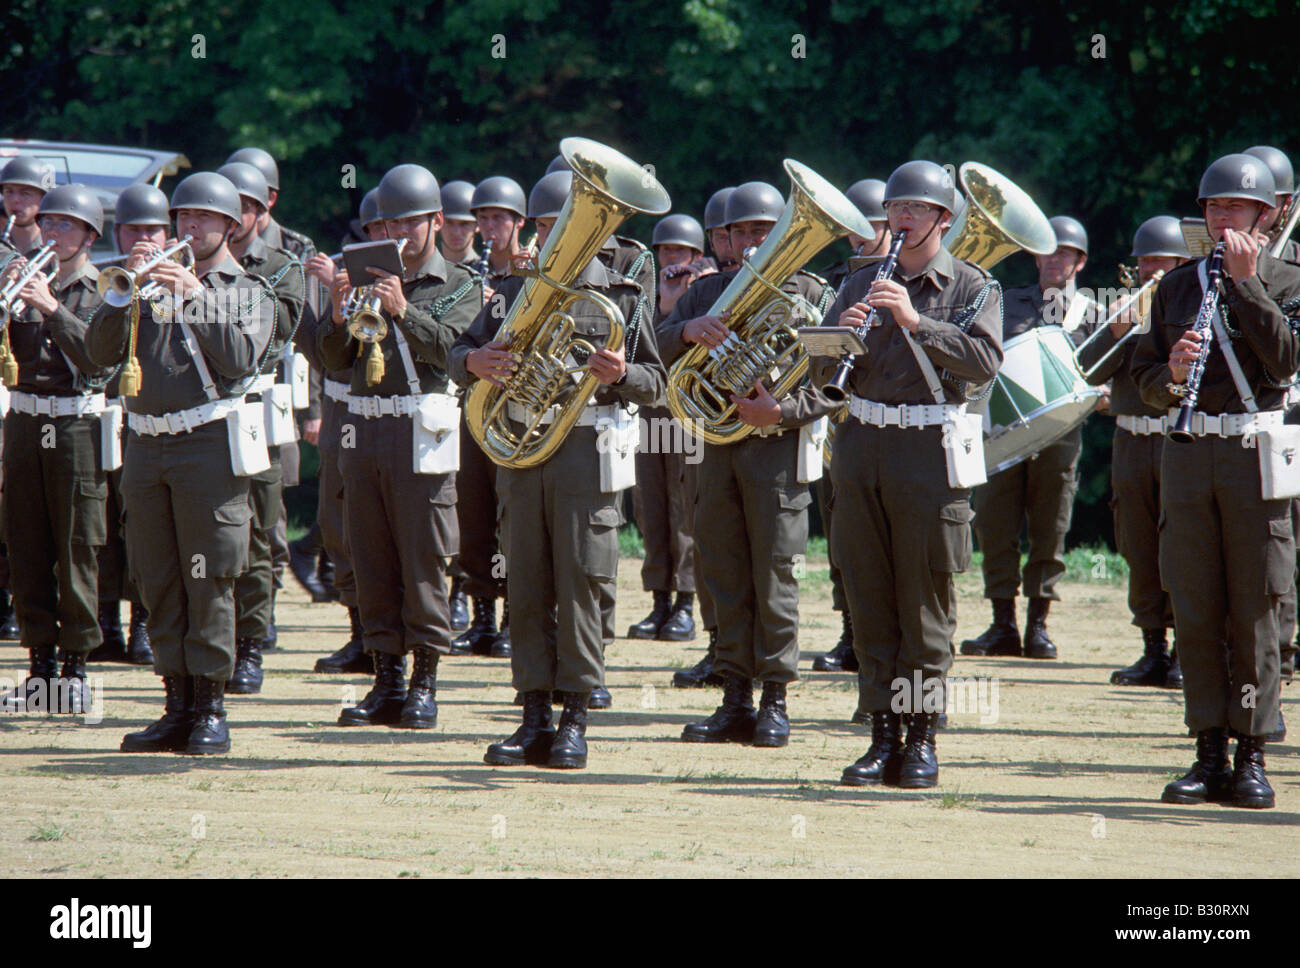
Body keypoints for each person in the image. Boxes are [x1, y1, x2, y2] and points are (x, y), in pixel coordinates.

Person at [450, 167, 666, 769]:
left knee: (580, 582)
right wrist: (474, 360)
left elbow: (658, 383)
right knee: (526, 583)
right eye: (546, 227)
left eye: (565, 227)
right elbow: (456, 351)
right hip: (522, 450)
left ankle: (574, 718)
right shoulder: (510, 291)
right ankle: (532, 716)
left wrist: (622, 376)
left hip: (583, 454)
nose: (552, 239)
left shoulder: (622, 296)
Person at [810, 160, 1002, 787]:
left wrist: (917, 322)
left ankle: (920, 738)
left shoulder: (975, 287)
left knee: (924, 599)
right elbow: (820, 371)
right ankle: (880, 735)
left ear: (944, 218)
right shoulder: (860, 278)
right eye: (896, 208)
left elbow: (982, 367)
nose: (902, 218)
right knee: (868, 594)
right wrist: (835, 340)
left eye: (917, 209)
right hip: (862, 442)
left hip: (927, 448)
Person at [1132, 152, 1300, 810]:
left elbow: (1285, 360)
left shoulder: (1289, 279)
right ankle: (1206, 750)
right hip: (1189, 454)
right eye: (1213, 205)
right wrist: (1171, 372)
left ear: (1269, 213)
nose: (1221, 216)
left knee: (1257, 607)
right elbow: (1142, 382)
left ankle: (1252, 753)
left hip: (1256, 457)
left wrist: (1247, 284)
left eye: (1236, 206)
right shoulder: (1176, 288)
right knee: (1196, 606)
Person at [87, 171, 275, 755]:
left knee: (209, 576)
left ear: (229, 225)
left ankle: (211, 708)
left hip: (206, 446)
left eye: (203, 220)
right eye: (183, 219)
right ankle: (175, 703)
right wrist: (124, 293)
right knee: (158, 576)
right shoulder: (144, 284)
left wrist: (196, 294)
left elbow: (242, 357)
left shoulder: (246, 289)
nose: (189, 228)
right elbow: (97, 356)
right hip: (146, 445)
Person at [658, 180, 836, 748]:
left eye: (764, 228)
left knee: (776, 577)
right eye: (742, 231)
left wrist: (781, 410)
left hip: (777, 454)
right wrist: (686, 329)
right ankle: (734, 698)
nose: (753, 239)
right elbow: (650, 349)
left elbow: (838, 386)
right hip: (716, 452)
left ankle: (776, 701)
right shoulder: (703, 291)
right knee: (725, 574)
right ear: (725, 239)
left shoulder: (812, 291)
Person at [319, 163, 481, 729]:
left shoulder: (463, 284)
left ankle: (425, 682)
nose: (398, 233)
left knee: (424, 557)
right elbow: (331, 360)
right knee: (371, 557)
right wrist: (337, 310)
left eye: (411, 222)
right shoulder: (362, 275)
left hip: (422, 428)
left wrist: (403, 310)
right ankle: (384, 680)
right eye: (387, 223)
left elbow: (453, 353)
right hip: (362, 429)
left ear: (437, 221)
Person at [0, 184, 110, 714]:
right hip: (24, 425)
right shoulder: (22, 279)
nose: (53, 232)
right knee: (27, 546)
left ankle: (76, 670)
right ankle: (39, 669)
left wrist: (50, 309)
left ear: (90, 234)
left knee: (76, 547)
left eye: (67, 225)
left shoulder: (105, 291)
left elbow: (100, 362)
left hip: (74, 429)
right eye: (50, 223)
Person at [961, 215, 1091, 660]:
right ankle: (1002, 624)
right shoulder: (1006, 301)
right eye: (1049, 251)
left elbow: (1113, 374)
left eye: (1066, 253)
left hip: (1061, 434)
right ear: (1035, 256)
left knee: (1050, 529)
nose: (1056, 260)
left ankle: (1038, 625)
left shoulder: (1092, 312)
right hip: (1002, 429)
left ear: (1080, 261)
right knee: (995, 527)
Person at [1077, 216, 1188, 687]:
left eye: (1159, 262)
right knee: (1137, 543)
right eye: (1143, 262)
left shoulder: (1193, 304)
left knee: (1184, 545)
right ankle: (1152, 649)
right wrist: (1115, 327)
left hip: (1177, 437)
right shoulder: (1125, 307)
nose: (1149, 271)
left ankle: (1188, 648)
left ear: (1181, 262)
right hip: (1130, 436)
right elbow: (1085, 365)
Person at [216, 162, 305, 694]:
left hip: (252, 412)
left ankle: (249, 644)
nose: (236, 217)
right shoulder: (190, 266)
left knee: (256, 533)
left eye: (246, 206)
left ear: (261, 210)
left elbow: (271, 336)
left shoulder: (279, 266)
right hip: (193, 417)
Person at [89, 183, 170, 667]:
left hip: (150, 417)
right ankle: (105, 624)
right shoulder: (106, 278)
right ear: (118, 233)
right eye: (134, 230)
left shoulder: (180, 281)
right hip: (104, 412)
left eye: (153, 230)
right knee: (103, 522)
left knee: (140, 524)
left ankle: (142, 623)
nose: (144, 238)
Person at [813, 177, 891, 676]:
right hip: (841, 426)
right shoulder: (837, 281)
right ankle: (850, 632)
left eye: (871, 229)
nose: (859, 239)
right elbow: (817, 355)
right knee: (844, 541)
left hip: (898, 430)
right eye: (853, 232)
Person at [305, 189, 381, 674]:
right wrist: (331, 298)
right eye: (373, 230)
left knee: (382, 532)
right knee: (338, 528)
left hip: (385, 417)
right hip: (339, 409)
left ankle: (386, 642)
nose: (381, 237)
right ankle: (359, 635)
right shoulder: (337, 274)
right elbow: (314, 351)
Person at [627, 212, 710, 643]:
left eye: (678, 251)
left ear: (697, 255)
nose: (670, 258)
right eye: (663, 251)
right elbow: (642, 348)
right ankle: (659, 600)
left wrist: (686, 299)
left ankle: (686, 603)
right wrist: (664, 302)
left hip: (690, 416)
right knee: (651, 506)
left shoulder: (707, 294)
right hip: (653, 414)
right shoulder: (650, 296)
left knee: (685, 508)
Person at [0, 155, 56, 641]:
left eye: (27, 194)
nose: (17, 202)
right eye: (11, 192)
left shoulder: (59, 249)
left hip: (32, 381)